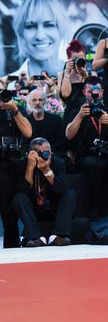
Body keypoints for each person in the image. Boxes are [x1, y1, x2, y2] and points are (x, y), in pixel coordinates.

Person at [65, 79, 108, 218]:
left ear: (102, 92)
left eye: (96, 91)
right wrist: (79, 116)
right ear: (84, 92)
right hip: (85, 155)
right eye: (90, 91)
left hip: (107, 153)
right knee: (97, 165)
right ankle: (94, 208)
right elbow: (68, 135)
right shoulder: (77, 111)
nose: (93, 95)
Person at [12, 137, 76, 247]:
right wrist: (30, 167)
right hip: (34, 210)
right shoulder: (23, 164)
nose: (45, 156)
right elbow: (23, 190)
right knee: (18, 198)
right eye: (41, 153)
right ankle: (35, 237)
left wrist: (46, 170)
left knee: (70, 194)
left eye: (48, 152)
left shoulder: (58, 162)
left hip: (53, 208)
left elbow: (61, 189)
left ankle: (58, 236)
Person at [0, 88, 32, 248]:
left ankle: (11, 247)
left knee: (10, 211)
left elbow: (28, 132)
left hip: (13, 164)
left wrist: (15, 110)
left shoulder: (15, 110)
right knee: (5, 209)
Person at [10, 0, 69, 77]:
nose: (40, 36)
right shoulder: (6, 86)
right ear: (21, 33)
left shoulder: (83, 80)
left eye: (49, 25)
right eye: (30, 26)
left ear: (61, 29)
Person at [26, 89, 65, 157]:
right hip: (31, 156)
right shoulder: (26, 121)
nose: (37, 103)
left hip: (53, 155)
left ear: (45, 102)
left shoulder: (56, 119)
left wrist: (47, 152)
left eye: (40, 100)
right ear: (29, 103)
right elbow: (24, 144)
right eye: (34, 100)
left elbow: (61, 141)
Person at [58, 40, 91, 117]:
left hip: (87, 112)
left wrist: (85, 77)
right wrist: (67, 73)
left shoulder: (91, 74)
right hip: (70, 114)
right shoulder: (62, 75)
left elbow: (94, 93)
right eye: (75, 59)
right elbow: (65, 94)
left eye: (81, 59)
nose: (78, 62)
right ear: (69, 59)